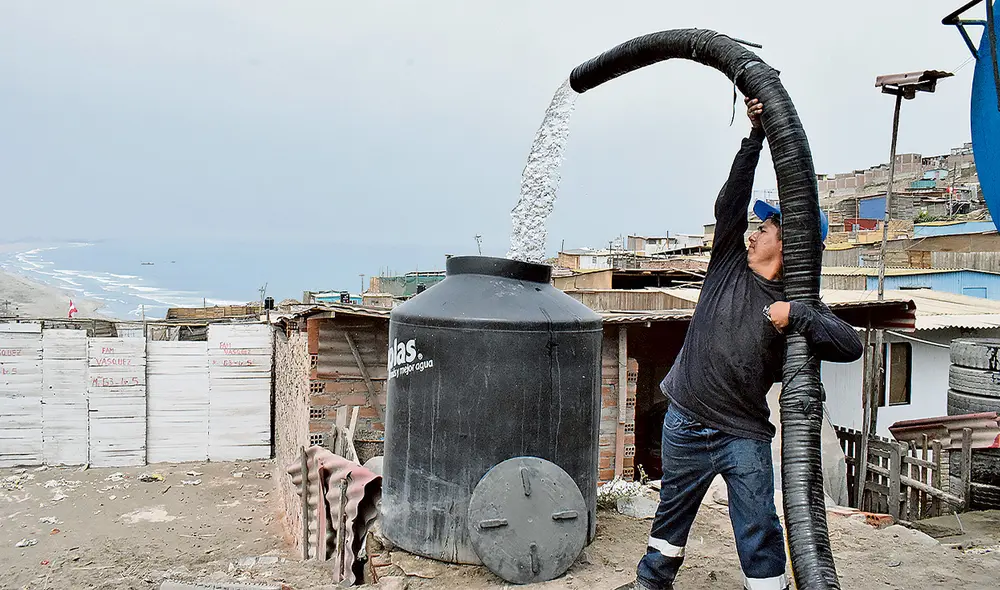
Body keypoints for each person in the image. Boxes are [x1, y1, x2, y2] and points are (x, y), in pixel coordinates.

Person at [614, 98, 864, 590]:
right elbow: (728, 204)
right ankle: (651, 582)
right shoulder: (728, 261)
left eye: (764, 227)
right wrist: (754, 138)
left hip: (742, 433)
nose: (752, 234)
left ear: (790, 241)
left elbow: (850, 345)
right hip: (685, 417)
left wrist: (799, 315)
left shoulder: (796, 302)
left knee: (758, 526)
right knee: (672, 515)